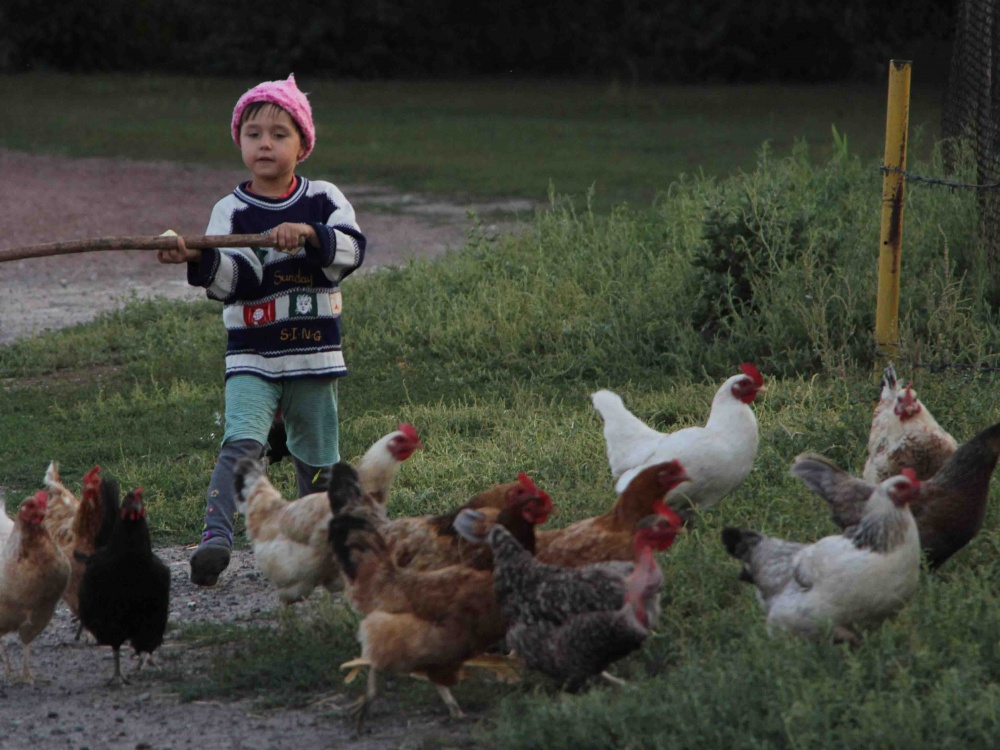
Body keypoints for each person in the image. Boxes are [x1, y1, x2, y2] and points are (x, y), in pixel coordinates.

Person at [158, 74, 366, 586]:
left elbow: (352, 252)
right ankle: (216, 540)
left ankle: (323, 540)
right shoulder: (231, 210)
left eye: (279, 133)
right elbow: (238, 281)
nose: (265, 143)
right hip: (253, 355)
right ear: (240, 143)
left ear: (303, 144)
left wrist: (311, 236)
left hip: (314, 357)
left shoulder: (323, 199)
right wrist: (197, 257)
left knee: (318, 460)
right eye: (254, 134)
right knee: (242, 443)